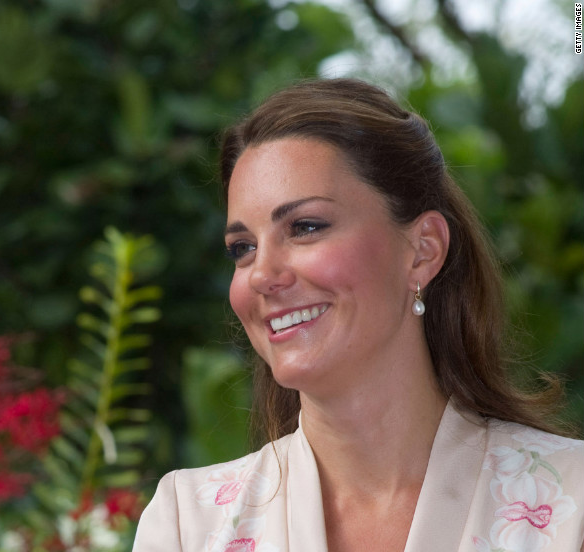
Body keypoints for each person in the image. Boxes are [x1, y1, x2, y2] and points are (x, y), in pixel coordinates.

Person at [132, 79, 584, 552]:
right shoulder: (189, 524)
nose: (262, 273)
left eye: (305, 227)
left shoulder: (569, 506)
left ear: (422, 250)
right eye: (242, 248)